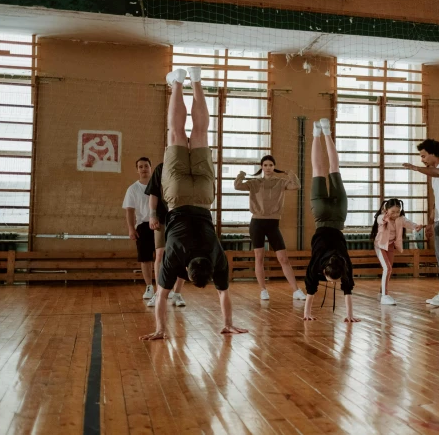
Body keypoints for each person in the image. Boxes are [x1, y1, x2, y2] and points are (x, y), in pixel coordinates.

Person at [140, 67, 248, 340]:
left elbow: (224, 294)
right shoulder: (175, 256)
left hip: (202, 197)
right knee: (175, 131)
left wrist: (228, 322)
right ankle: (177, 82)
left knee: (200, 131)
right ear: (186, 272)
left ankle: (196, 81)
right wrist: (160, 330)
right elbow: (162, 297)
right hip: (176, 198)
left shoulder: (217, 256)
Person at [303, 118, 360, 323]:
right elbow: (310, 288)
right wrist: (306, 314)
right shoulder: (319, 262)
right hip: (320, 215)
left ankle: (326, 131)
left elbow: (347, 289)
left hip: (338, 214)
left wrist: (350, 315)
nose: (334, 282)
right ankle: (316, 133)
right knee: (318, 170)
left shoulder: (344, 262)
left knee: (334, 168)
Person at [234, 155, 305, 301]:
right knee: (259, 257)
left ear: (274, 167)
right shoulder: (254, 182)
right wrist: (241, 175)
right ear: (261, 167)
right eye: (265, 165)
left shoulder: (280, 182)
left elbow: (297, 185)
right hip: (257, 223)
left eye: (271, 165)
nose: (268, 168)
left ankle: (296, 291)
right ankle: (263, 290)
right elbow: (237, 186)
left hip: (273, 224)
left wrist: (290, 173)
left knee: (283, 258)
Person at [402, 139, 439, 307]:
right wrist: (430, 223)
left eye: (423, 156)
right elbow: (437, 202)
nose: (422, 160)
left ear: (432, 153)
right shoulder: (433, 177)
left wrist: (416, 169)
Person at [145, 162, 186, 307]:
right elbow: (153, 193)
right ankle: (158, 292)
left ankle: (177, 293)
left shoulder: (188, 166)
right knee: (160, 254)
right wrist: (152, 215)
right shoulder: (161, 168)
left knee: (181, 255)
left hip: (182, 218)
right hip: (162, 218)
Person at [370, 198, 422, 305]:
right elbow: (381, 220)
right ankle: (385, 295)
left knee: (388, 269)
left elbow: (408, 223)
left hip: (390, 246)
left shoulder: (400, 219)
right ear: (386, 210)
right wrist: (386, 216)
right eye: (392, 212)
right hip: (380, 246)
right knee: (387, 268)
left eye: (397, 212)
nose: (395, 214)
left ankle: (381, 293)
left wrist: (416, 226)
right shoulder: (381, 217)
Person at [122, 157, 155, 300]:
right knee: (145, 259)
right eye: (140, 167)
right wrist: (131, 229)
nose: (143, 169)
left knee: (162, 258)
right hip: (143, 226)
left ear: (150, 168)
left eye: (146, 166)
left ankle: (165, 287)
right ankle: (149, 287)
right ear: (137, 170)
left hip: (159, 226)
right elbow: (129, 210)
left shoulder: (158, 185)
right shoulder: (133, 189)